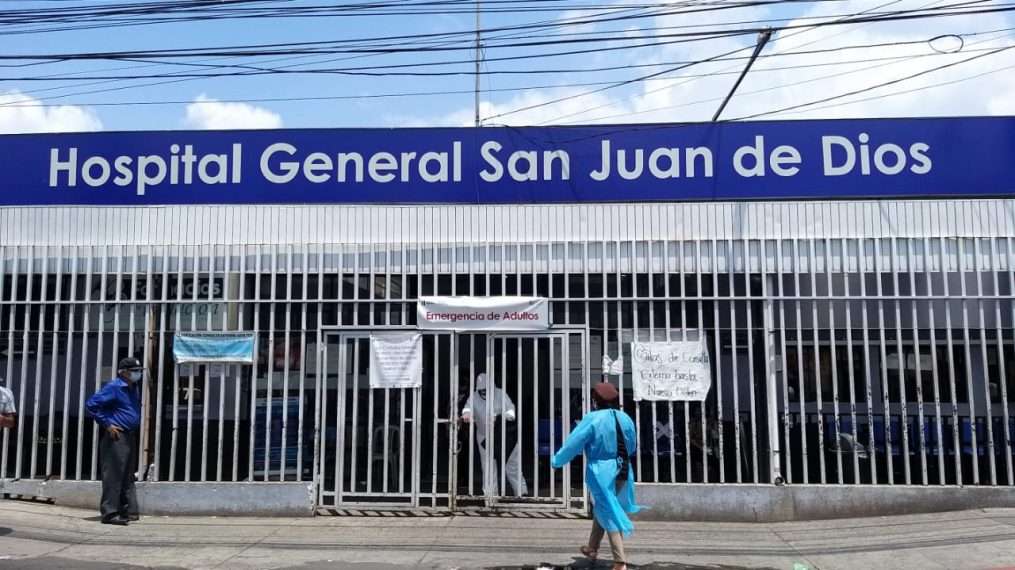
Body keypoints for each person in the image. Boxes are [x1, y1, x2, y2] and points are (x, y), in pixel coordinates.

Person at [552, 382, 640, 570]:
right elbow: (632, 445)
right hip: (624, 468)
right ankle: (592, 548)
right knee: (603, 506)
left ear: (595, 401)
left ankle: (619, 561)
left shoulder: (593, 418)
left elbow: (574, 442)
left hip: (602, 472)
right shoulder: (625, 418)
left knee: (608, 510)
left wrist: (557, 461)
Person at [86, 357, 143, 525]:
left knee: (127, 475)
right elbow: (91, 404)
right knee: (113, 475)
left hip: (130, 435)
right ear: (124, 372)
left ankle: (127, 510)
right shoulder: (114, 387)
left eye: (138, 371)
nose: (137, 374)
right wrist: (108, 425)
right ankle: (110, 513)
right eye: (134, 371)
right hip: (117, 436)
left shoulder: (133, 388)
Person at [460, 373, 528, 497]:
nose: (484, 393)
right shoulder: (474, 397)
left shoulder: (501, 394)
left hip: (504, 435)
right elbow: (467, 408)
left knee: (512, 463)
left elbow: (511, 410)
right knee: (488, 466)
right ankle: (491, 495)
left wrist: (501, 417)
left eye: (487, 390)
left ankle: (521, 492)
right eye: (482, 391)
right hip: (484, 436)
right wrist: (466, 414)